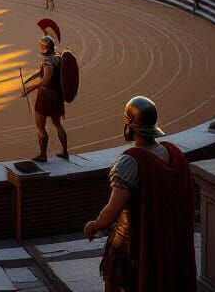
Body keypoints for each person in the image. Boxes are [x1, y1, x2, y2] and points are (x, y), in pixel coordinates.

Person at [84, 95, 197, 292]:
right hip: (167, 242)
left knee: (115, 282)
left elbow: (113, 208)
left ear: (130, 126)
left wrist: (95, 225)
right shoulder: (173, 153)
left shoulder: (130, 162)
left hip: (130, 244)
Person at [22, 34, 69, 161]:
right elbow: (45, 73)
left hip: (46, 96)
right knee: (57, 124)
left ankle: (43, 155)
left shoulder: (48, 61)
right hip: (57, 95)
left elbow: (45, 81)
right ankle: (65, 152)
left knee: (40, 127)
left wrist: (30, 88)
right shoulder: (58, 58)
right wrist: (31, 77)